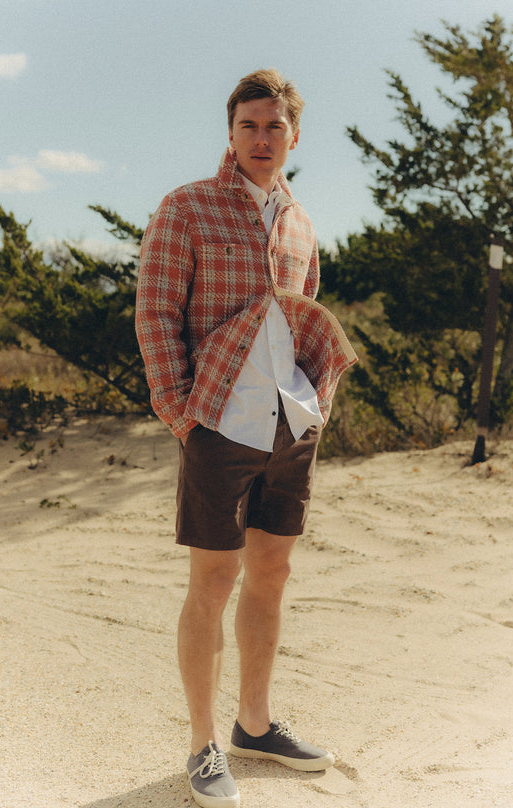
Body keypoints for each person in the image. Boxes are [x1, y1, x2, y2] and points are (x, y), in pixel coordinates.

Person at [136, 68, 357, 808]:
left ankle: (254, 725)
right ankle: (202, 744)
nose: (261, 140)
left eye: (275, 127)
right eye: (248, 126)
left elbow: (305, 313)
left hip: (290, 424)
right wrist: (180, 413)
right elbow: (156, 315)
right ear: (230, 133)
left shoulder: (299, 220)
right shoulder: (187, 208)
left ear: (294, 135)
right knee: (215, 582)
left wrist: (316, 400)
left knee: (272, 575)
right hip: (219, 423)